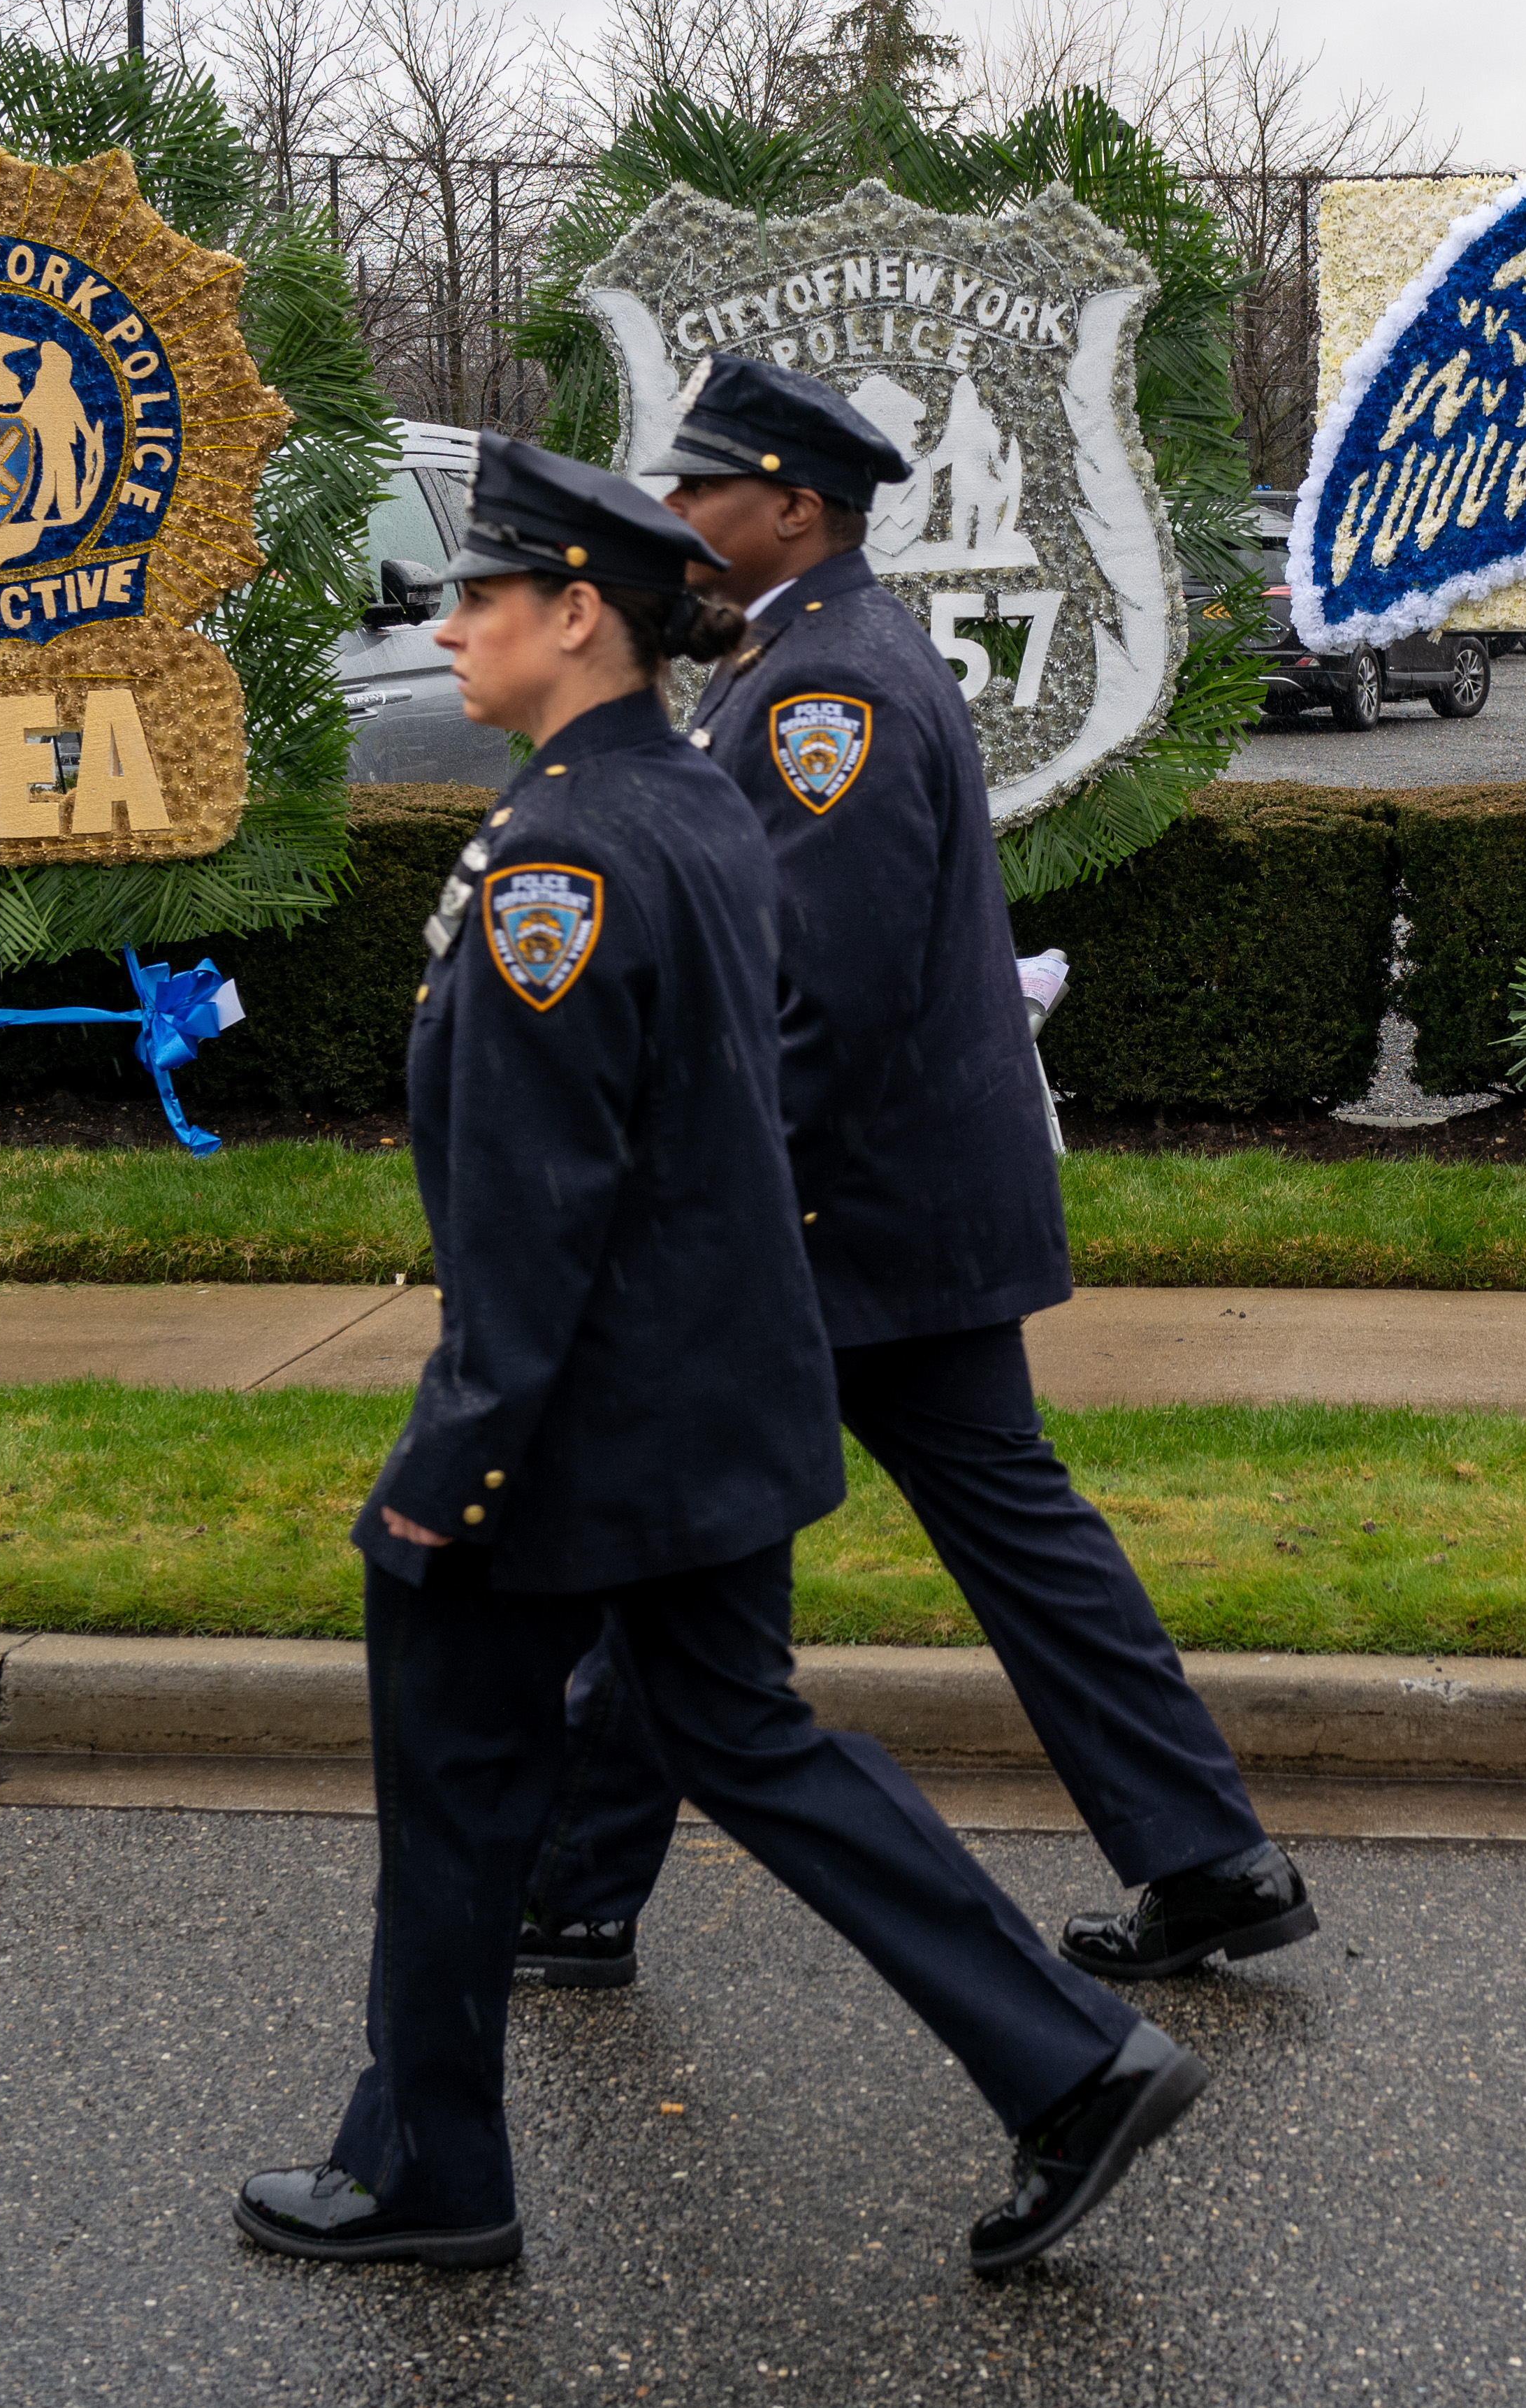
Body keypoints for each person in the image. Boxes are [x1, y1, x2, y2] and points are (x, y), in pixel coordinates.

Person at [233, 433, 1201, 2280]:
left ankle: (430, 2165)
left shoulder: (566, 861)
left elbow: (539, 1216)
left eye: (482, 597)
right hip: (716, 1398)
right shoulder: (692, 802)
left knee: (455, 1773)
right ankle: (1071, 2058)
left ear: (576, 616)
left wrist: (455, 1472)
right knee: (749, 1737)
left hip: (589, 1435)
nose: (449, 630)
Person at [510, 354, 1317, 2000]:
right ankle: (1209, 1855)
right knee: (986, 1535)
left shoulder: (828, 692)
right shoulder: (800, 656)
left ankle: (576, 1893)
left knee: (679, 1537)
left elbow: (829, 994)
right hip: (902, 1213)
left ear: (793, 505)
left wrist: (704, 1209)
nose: (671, 514)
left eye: (700, 488)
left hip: (840, 1217)